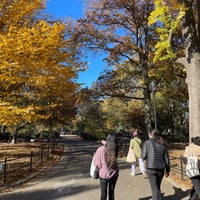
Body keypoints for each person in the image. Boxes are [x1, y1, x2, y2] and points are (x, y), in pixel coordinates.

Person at [142, 129, 170, 200]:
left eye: (149, 134)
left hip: (151, 168)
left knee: (154, 188)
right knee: (157, 187)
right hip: (161, 168)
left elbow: (143, 156)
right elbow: (166, 158)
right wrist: (168, 170)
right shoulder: (162, 142)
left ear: (151, 134)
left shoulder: (147, 142)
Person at [93, 134, 119, 200]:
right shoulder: (116, 148)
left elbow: (97, 164)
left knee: (103, 194)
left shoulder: (101, 149)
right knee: (112, 193)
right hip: (114, 174)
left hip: (104, 175)